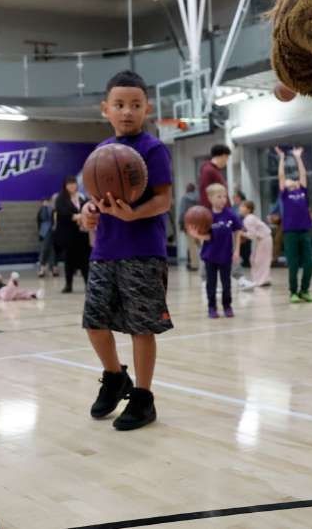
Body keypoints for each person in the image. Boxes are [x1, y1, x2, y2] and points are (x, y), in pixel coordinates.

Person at [79, 70, 174, 431]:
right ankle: (116, 375)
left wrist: (135, 213)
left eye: (135, 105)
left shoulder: (153, 149)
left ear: (146, 108)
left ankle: (144, 398)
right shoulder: (101, 153)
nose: (127, 111)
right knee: (94, 323)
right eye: (119, 105)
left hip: (144, 251)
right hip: (105, 251)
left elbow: (164, 200)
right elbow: (93, 202)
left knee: (140, 327)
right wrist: (89, 212)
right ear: (106, 109)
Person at [189, 183, 243, 319]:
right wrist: (197, 235)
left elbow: (237, 231)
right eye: (219, 197)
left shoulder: (230, 214)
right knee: (211, 284)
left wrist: (236, 250)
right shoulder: (206, 216)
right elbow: (208, 236)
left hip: (225, 255)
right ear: (210, 198)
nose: (223, 199)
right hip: (210, 255)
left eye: (224, 196)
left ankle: (227, 306)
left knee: (227, 283)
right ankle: (211, 307)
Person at [277, 146, 312, 303]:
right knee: (293, 265)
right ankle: (293, 292)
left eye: (294, 180)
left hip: (304, 231)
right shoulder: (286, 194)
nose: (291, 180)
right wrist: (281, 158)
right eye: (288, 180)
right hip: (290, 233)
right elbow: (281, 175)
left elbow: (303, 174)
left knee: (309, 264)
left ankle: (304, 291)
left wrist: (298, 157)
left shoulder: (302, 192)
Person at [55, 176, 90, 293]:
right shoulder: (61, 198)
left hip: (82, 233)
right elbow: (62, 212)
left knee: (85, 259)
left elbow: (88, 209)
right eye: (69, 184)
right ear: (65, 185)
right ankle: (68, 285)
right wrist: (76, 216)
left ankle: (87, 284)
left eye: (73, 183)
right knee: (69, 260)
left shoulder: (82, 197)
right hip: (68, 235)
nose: (72, 186)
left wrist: (84, 217)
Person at [238, 200, 273, 288]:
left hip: (264, 239)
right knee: (255, 259)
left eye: (243, 207)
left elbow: (252, 235)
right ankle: (261, 279)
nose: (240, 208)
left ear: (248, 209)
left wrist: (242, 234)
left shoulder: (248, 219)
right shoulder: (250, 218)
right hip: (263, 239)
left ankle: (262, 280)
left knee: (260, 260)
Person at [198, 144, 231, 209]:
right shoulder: (208, 170)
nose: (226, 162)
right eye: (227, 158)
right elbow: (205, 193)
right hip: (215, 214)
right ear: (223, 156)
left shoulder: (215, 170)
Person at [178, 183, 201, 271]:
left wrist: (181, 223)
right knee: (201, 244)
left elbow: (182, 212)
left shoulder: (185, 198)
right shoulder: (199, 198)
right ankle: (205, 263)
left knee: (192, 245)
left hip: (189, 223)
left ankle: (194, 265)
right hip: (200, 222)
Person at [36, 197, 59, 278]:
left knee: (51, 250)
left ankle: (51, 267)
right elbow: (42, 218)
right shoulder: (42, 210)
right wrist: (45, 207)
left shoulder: (53, 209)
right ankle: (44, 267)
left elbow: (55, 220)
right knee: (45, 248)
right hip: (44, 232)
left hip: (52, 231)